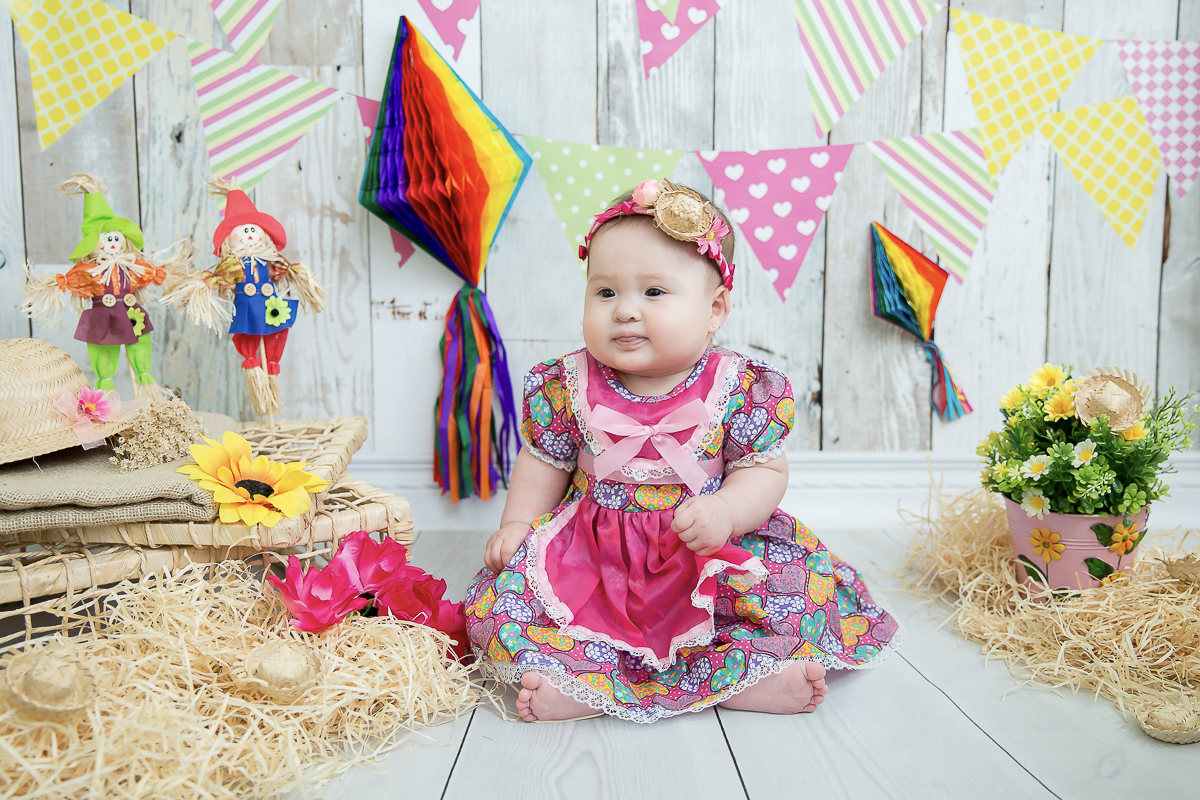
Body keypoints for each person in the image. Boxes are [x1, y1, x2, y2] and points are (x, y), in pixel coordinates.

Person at [464, 179, 899, 723]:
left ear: (715, 309)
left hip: (702, 553)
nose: (624, 311)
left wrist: (727, 510)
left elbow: (763, 470)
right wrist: (519, 522)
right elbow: (544, 460)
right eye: (605, 293)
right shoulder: (566, 383)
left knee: (790, 596)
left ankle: (751, 675)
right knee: (507, 606)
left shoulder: (739, 386)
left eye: (653, 293)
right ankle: (574, 679)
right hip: (593, 558)